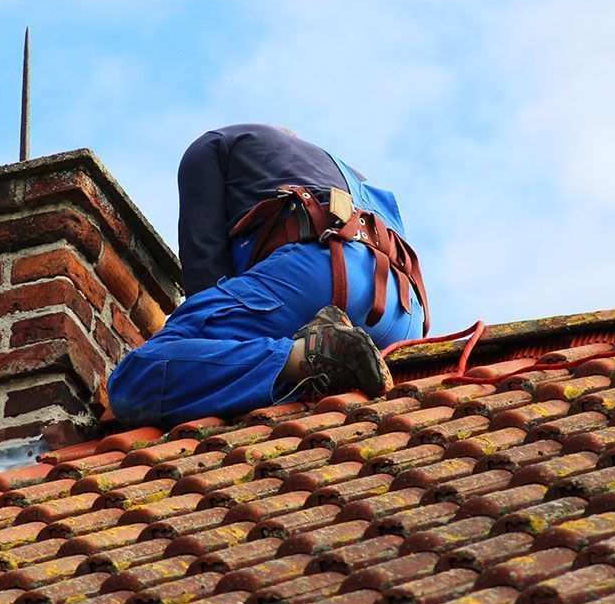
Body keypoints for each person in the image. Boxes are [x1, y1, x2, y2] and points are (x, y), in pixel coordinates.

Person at [107, 123, 428, 427]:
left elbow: (204, 273)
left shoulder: (216, 143)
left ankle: (310, 356)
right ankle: (331, 361)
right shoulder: (355, 178)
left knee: (136, 378)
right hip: (404, 316)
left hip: (322, 276)